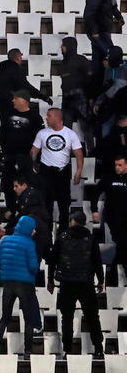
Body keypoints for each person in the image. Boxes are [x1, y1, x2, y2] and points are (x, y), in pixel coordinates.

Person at [47, 211, 105, 358]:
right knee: (92, 317)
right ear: (84, 222)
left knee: (67, 318)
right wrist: (101, 280)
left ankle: (68, 350)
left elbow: (52, 261)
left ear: (72, 221)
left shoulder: (62, 237)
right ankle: (98, 349)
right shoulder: (90, 238)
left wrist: (50, 280)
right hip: (86, 283)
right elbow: (97, 261)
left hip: (66, 283)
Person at [1, 175, 52, 333]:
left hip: (25, 264)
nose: (14, 189)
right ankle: (34, 324)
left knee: (27, 293)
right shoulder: (32, 216)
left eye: (16, 186)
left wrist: (7, 230)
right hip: (23, 266)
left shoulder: (33, 216)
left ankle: (35, 324)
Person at [0, 215, 39, 359]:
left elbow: (0, 262)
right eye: (33, 228)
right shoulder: (29, 244)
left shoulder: (5, 241)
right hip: (25, 285)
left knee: (5, 317)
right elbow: (33, 267)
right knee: (28, 319)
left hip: (8, 283)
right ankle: (28, 352)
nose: (34, 231)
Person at [31, 108, 84, 232]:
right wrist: (32, 164)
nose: (46, 118)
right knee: (46, 205)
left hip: (62, 172)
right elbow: (34, 151)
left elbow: (79, 154)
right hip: (46, 172)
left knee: (64, 205)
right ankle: (46, 233)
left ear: (57, 117)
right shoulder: (42, 133)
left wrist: (78, 171)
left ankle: (63, 233)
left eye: (49, 116)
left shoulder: (70, 134)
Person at [0, 90, 44, 210]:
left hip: (26, 159)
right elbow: (1, 135)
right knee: (8, 186)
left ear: (24, 100)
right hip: (9, 157)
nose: (13, 100)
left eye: (16, 98)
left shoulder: (35, 117)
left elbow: (40, 140)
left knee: (27, 185)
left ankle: (26, 211)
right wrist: (2, 154)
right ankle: (11, 210)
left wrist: (36, 161)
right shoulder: (9, 114)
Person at [90, 154, 127, 286]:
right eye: (116, 165)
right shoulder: (109, 178)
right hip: (113, 218)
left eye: (120, 165)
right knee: (122, 243)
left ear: (126, 165)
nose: (117, 167)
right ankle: (112, 276)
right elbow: (95, 193)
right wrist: (94, 210)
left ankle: (111, 275)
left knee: (122, 247)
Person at [83, 0, 122, 87]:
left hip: (102, 30)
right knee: (112, 56)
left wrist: (118, 16)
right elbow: (90, 12)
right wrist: (94, 31)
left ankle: (96, 88)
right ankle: (113, 86)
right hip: (98, 31)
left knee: (98, 59)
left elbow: (112, 5)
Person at [0, 48, 53, 124]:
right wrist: (43, 96)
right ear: (18, 58)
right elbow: (26, 87)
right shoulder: (16, 70)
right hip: (13, 105)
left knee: (5, 126)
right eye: (21, 56)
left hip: (1, 105)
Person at [59, 36, 94, 155]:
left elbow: (90, 80)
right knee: (66, 129)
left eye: (63, 45)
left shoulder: (82, 60)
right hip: (67, 101)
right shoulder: (63, 63)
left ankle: (92, 154)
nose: (61, 47)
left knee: (86, 129)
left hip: (81, 100)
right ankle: (65, 155)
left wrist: (89, 98)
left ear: (69, 46)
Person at [93, 46, 127, 137]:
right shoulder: (108, 69)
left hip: (123, 107)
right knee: (106, 126)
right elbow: (104, 88)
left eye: (110, 55)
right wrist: (98, 103)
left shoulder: (125, 69)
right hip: (110, 106)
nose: (108, 58)